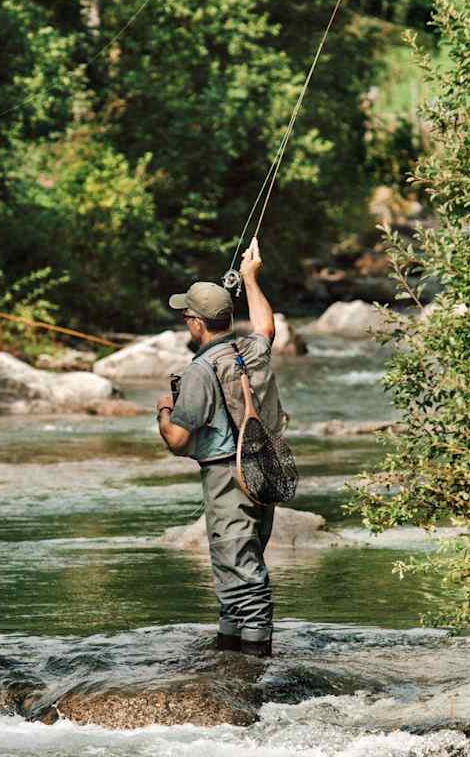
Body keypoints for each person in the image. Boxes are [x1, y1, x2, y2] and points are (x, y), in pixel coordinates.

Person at [156, 238, 288, 657]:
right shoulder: (252, 351)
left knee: (240, 570)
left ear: (197, 324)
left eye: (187, 316)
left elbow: (178, 441)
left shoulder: (199, 371)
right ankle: (229, 654)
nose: (186, 323)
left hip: (226, 477)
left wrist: (164, 409)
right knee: (239, 564)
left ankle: (253, 667)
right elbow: (266, 326)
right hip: (263, 468)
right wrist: (251, 278)